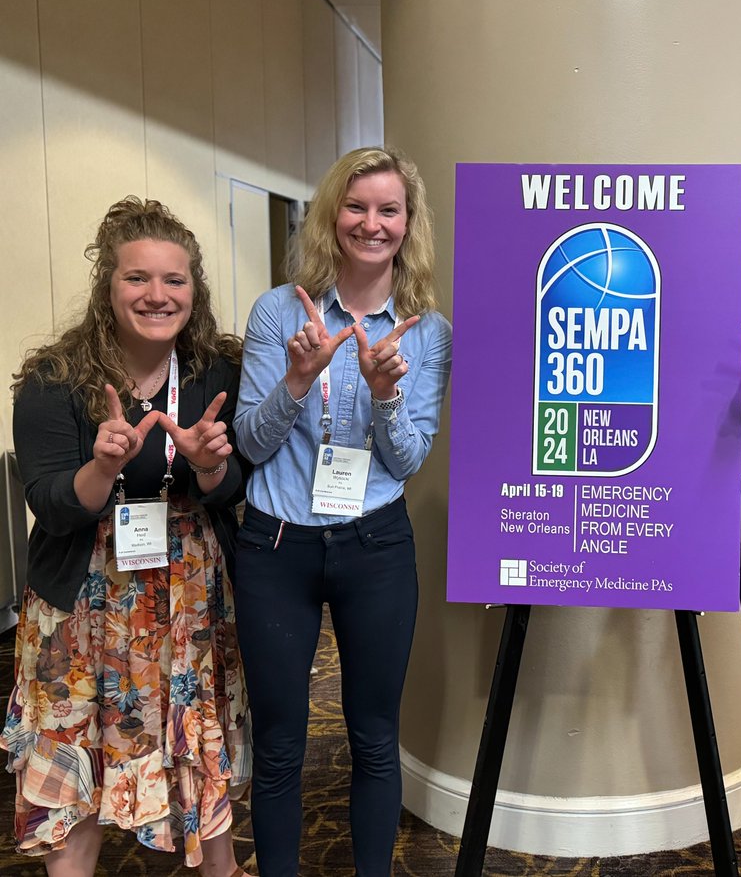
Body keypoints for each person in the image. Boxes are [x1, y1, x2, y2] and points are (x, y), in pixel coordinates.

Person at [2, 198, 251, 876]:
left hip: (187, 598)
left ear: (193, 290)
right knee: (74, 755)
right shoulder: (55, 380)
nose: (157, 294)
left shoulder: (215, 374)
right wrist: (102, 466)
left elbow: (236, 491)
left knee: (199, 752)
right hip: (82, 601)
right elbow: (52, 506)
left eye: (174, 279)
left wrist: (210, 466)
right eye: (137, 278)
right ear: (107, 288)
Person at [234, 146, 451, 877]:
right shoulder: (278, 311)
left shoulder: (427, 332)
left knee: (374, 738)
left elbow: (408, 461)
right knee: (281, 745)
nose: (371, 223)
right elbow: (251, 446)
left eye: (388, 209)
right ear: (332, 215)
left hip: (375, 546)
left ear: (407, 223)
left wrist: (386, 394)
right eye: (356, 207)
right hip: (277, 545)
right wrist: (298, 379)